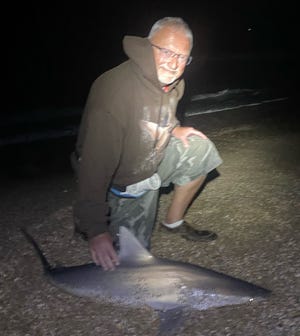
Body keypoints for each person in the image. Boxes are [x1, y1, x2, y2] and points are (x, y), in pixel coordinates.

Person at [72, 17, 222, 271]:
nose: (174, 63)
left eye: (182, 57)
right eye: (166, 51)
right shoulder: (115, 93)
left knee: (200, 148)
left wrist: (174, 128)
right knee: (133, 263)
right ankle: (87, 224)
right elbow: (93, 166)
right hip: (119, 182)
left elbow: (155, 113)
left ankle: (173, 222)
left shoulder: (173, 82)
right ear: (147, 46)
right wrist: (96, 230)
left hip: (148, 160)